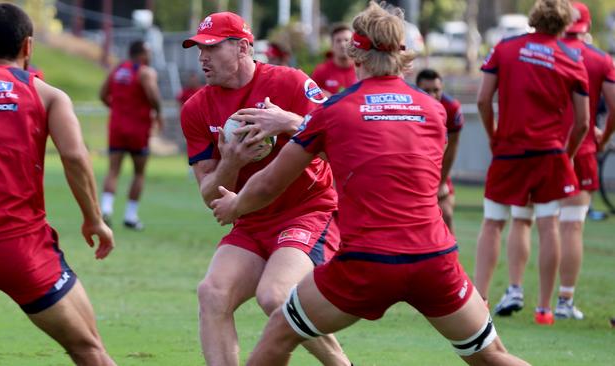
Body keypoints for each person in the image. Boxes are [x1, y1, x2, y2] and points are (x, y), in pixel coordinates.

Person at [211, 3, 529, 365]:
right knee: (491, 356)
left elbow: (268, 184)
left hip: (367, 262)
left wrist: (234, 206)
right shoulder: (432, 109)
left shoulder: (334, 111)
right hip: (434, 260)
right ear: (402, 53)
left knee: (279, 334)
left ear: (354, 52)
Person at [180, 11, 350, 366]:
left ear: (243, 47)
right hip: (251, 217)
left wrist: (289, 122)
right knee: (212, 293)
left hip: (308, 211)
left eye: (211, 48)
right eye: (198, 49)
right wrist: (232, 162)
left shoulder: (290, 82)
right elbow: (211, 197)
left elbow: (344, 139)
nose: (202, 57)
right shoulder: (196, 108)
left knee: (276, 295)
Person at [0, 4, 115, 365]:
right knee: (88, 349)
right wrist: (94, 219)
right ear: (28, 46)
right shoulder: (48, 96)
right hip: (23, 250)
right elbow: (76, 157)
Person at [493, 1, 615, 321]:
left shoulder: (529, 50)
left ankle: (515, 288)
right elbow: (609, 109)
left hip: (530, 148)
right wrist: (600, 139)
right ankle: (560, 302)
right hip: (577, 150)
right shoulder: (598, 59)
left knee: (522, 219)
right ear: (584, 26)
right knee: (570, 225)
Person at [474, 0, 589, 325]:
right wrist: (565, 154)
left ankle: (479, 303)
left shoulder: (506, 48)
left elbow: (483, 99)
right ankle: (544, 309)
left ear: (534, 17)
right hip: (550, 153)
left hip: (509, 149)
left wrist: (494, 135)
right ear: (564, 24)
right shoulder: (572, 58)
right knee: (549, 224)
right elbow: (582, 121)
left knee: (494, 222)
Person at [99, 40, 163, 231]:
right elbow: (153, 97)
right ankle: (130, 216)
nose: (150, 56)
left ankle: (106, 210)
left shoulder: (117, 70)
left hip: (117, 127)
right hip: (138, 128)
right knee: (139, 173)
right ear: (142, 54)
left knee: (113, 170)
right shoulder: (145, 72)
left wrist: (118, 109)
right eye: (149, 52)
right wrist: (158, 114)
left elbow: (102, 94)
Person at [416, 68, 465, 234]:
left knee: (447, 214)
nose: (432, 95)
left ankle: (451, 259)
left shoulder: (450, 108)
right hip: (411, 172)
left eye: (436, 90)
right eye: (426, 90)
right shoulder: (408, 106)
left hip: (436, 171)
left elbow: (453, 146)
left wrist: (442, 181)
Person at [312, 23, 357, 97]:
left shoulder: (362, 70)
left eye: (346, 40)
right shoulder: (321, 71)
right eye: (338, 41)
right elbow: (311, 100)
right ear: (332, 45)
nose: (342, 44)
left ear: (353, 44)